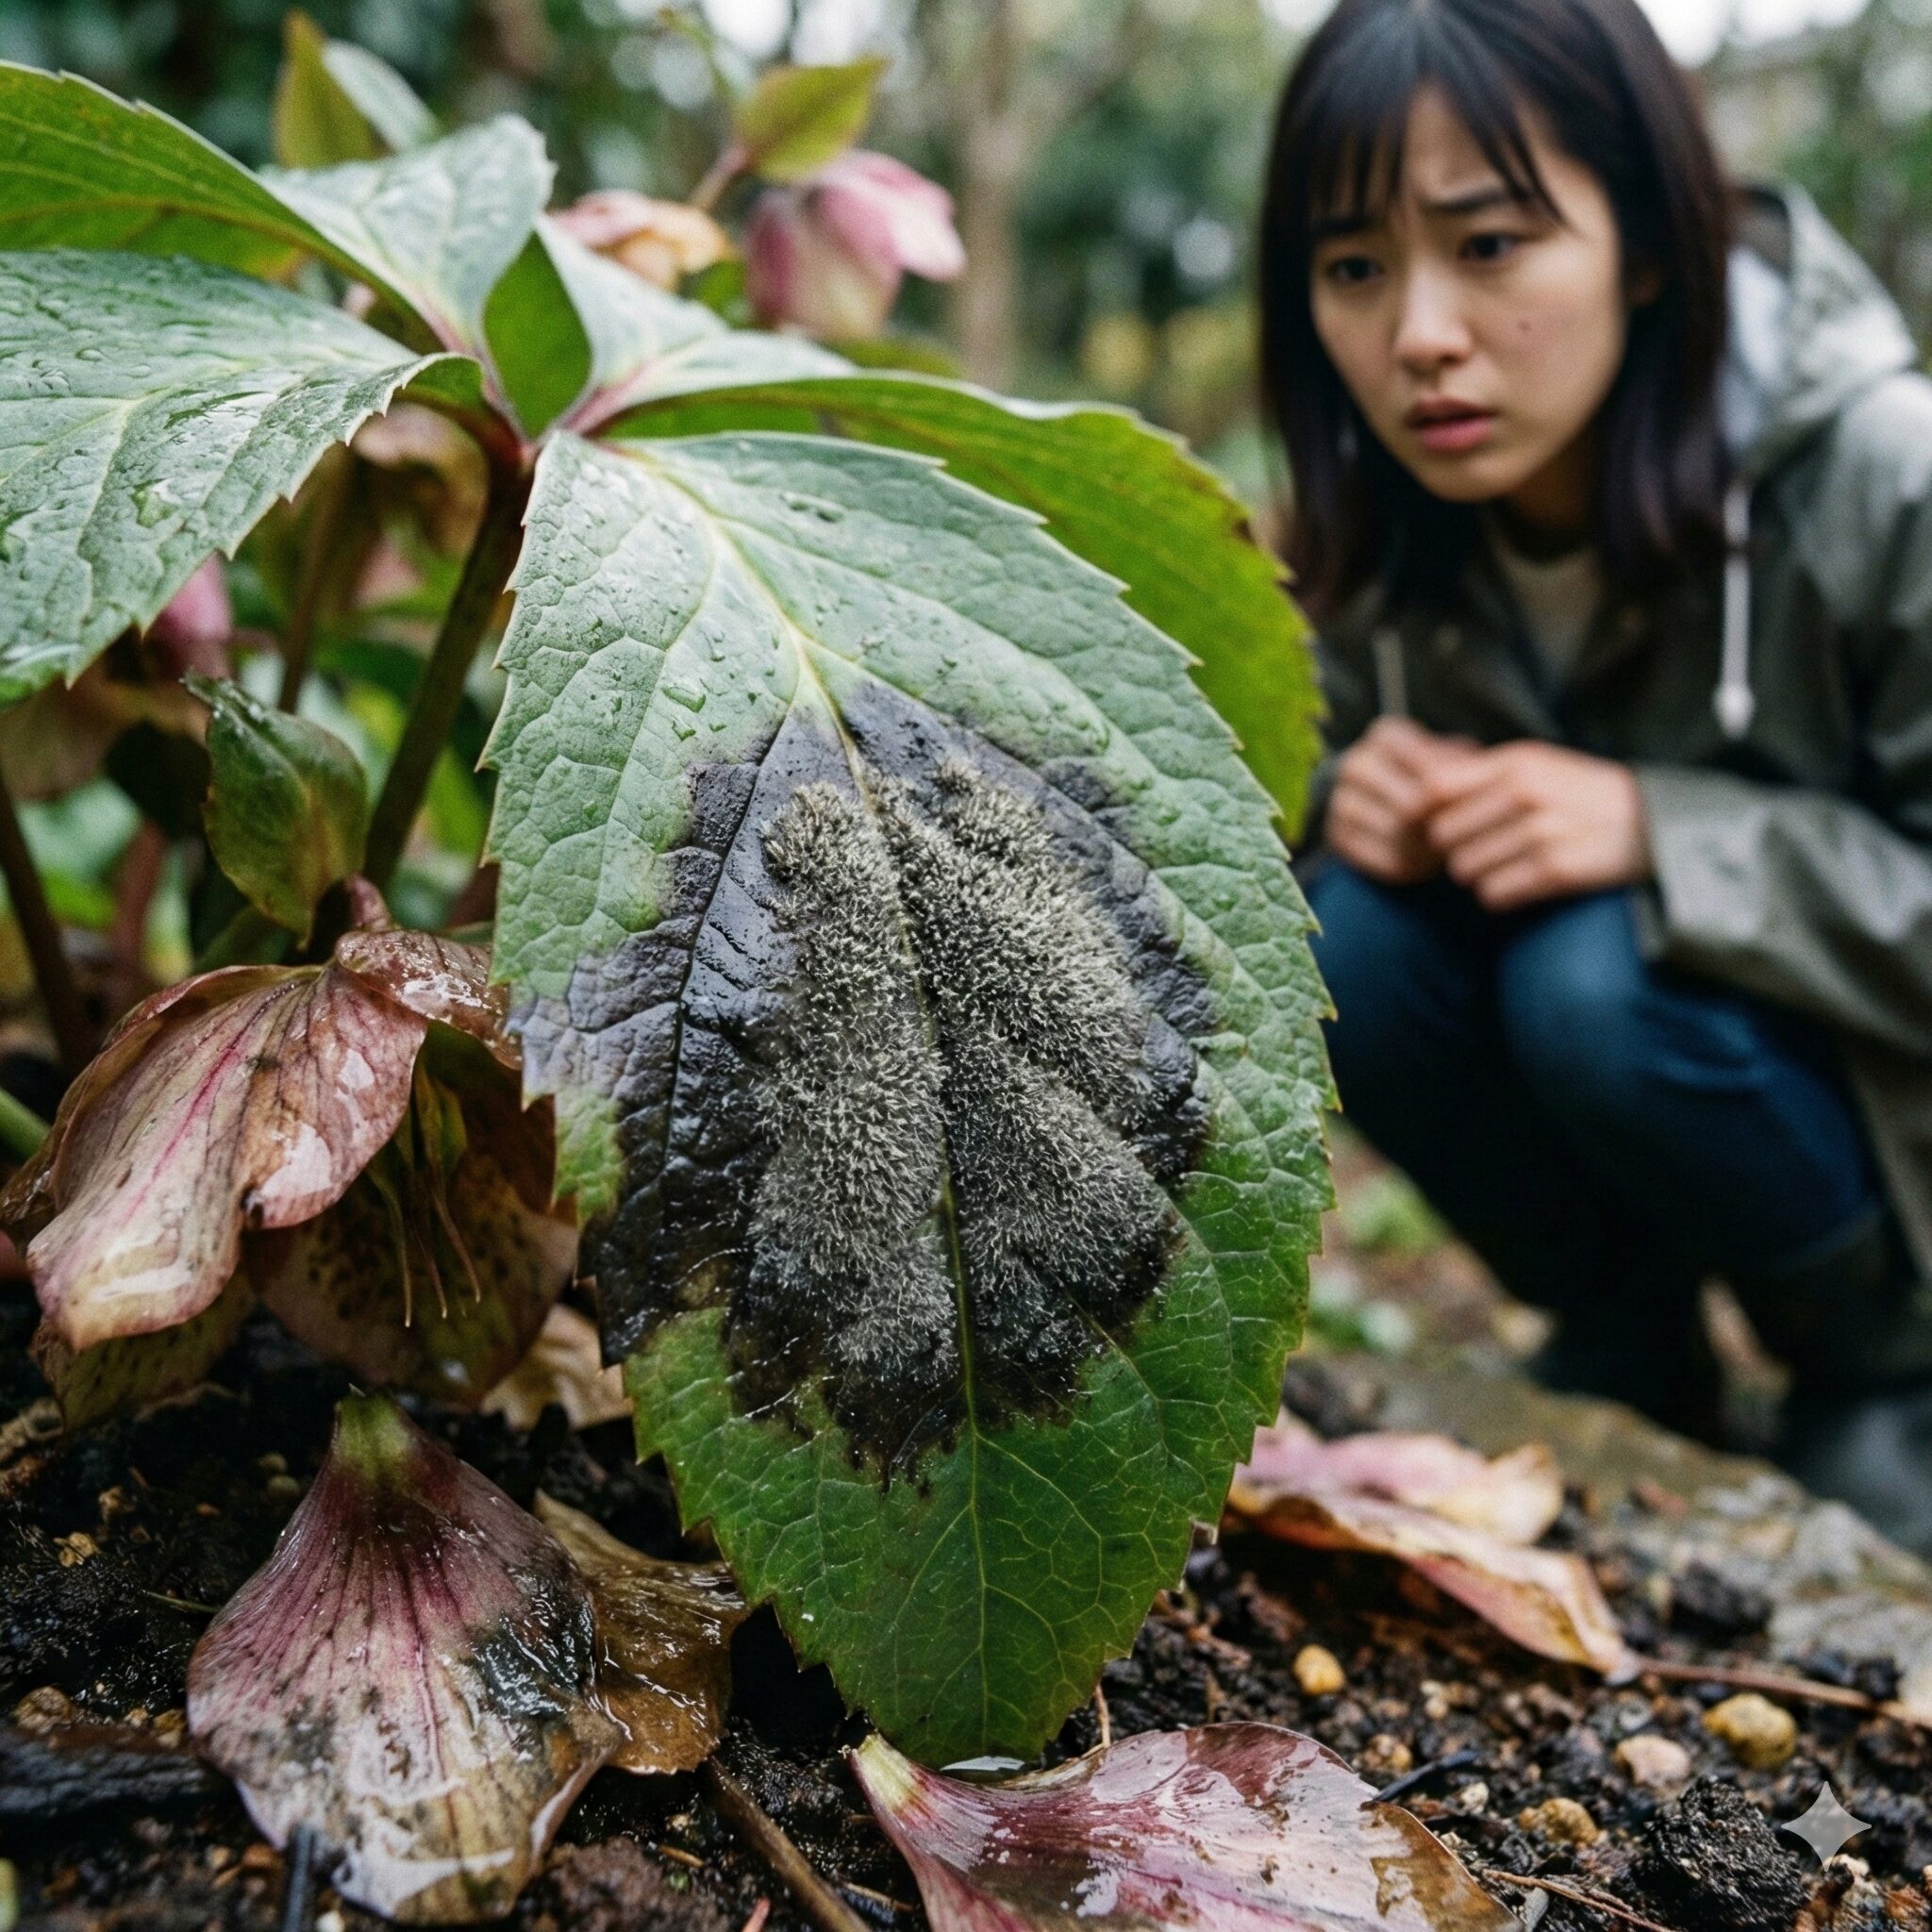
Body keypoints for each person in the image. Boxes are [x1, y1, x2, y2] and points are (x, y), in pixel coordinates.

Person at [1258, 0, 1932, 1550]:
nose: (1420, 332)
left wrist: (1660, 833)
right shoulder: (1375, 538)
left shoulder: (1881, 476)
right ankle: (1630, 1340)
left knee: (1597, 982)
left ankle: (1877, 1373)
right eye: (1356, 267)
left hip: (1876, 1150)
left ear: (1644, 240)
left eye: (1489, 244)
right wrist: (1338, 799)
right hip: (1623, 1069)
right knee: (1344, 935)